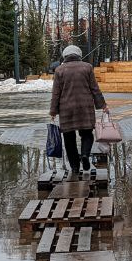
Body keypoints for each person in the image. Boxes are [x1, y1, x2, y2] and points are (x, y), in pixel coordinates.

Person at [49, 44, 106, 174]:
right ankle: (85, 155)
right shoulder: (87, 67)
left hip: (66, 109)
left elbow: (56, 93)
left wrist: (53, 111)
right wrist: (103, 105)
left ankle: (75, 167)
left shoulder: (59, 70)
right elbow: (94, 88)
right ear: (79, 55)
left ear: (65, 56)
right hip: (85, 107)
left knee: (69, 138)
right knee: (87, 134)